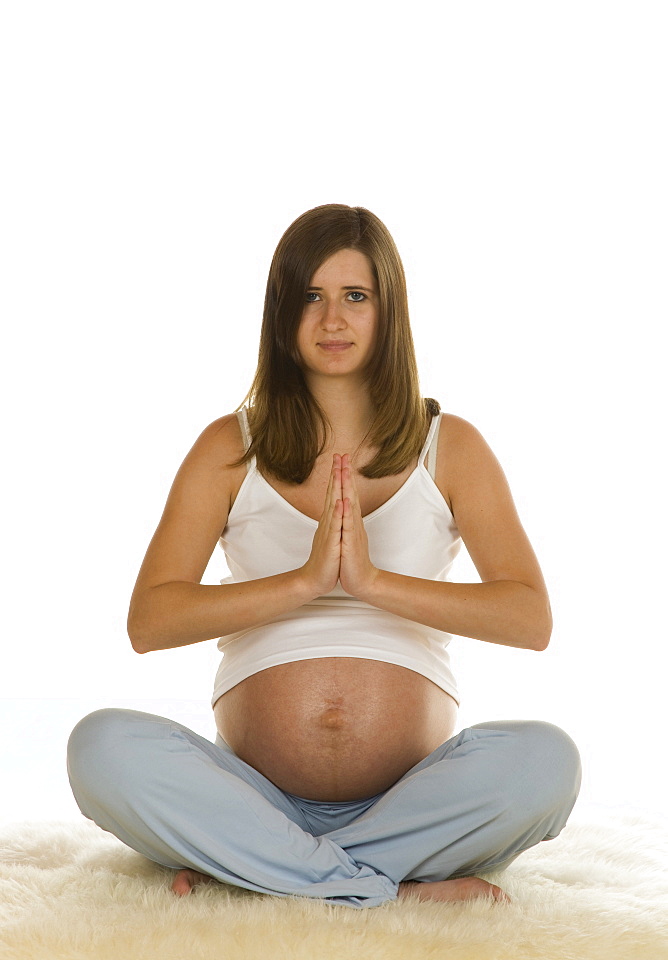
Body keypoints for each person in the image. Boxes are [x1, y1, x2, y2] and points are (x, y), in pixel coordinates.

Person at [67, 204, 582, 909]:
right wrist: (305, 582)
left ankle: (269, 878)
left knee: (548, 762)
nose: (332, 319)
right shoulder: (227, 447)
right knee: (99, 748)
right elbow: (149, 621)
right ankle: (382, 890)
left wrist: (370, 582)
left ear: (387, 312)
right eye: (311, 295)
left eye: (355, 297)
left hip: (413, 803)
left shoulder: (451, 445)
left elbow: (530, 618)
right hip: (254, 799)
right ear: (282, 314)